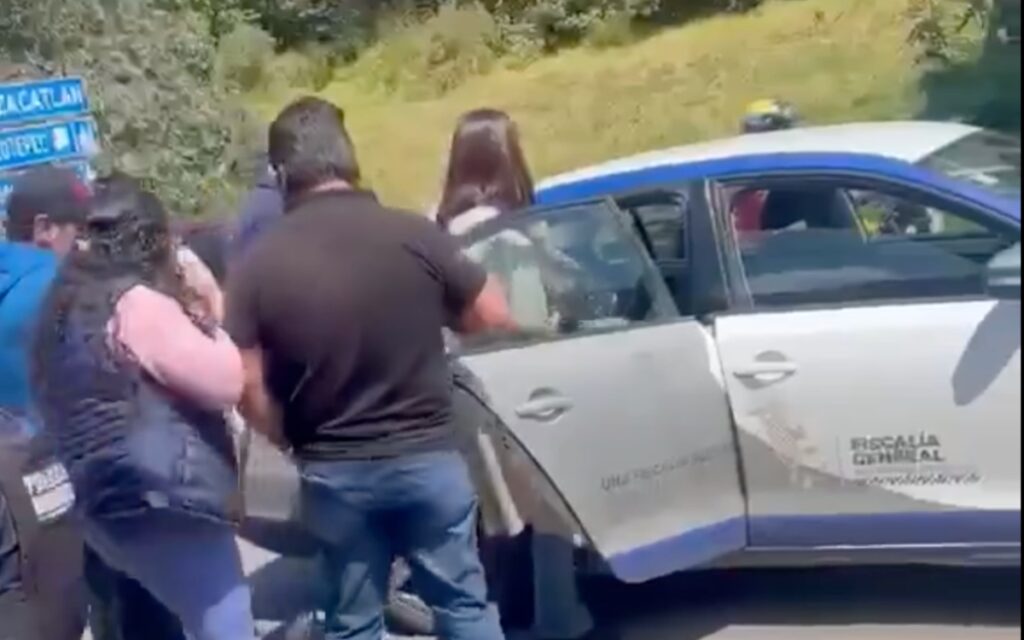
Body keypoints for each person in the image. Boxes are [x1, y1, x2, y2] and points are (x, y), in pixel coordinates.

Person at [226, 96, 514, 640]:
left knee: (353, 622)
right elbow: (494, 314)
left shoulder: (258, 265)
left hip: (336, 474)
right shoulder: (413, 233)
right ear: (349, 159)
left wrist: (285, 436)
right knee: (464, 608)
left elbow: (245, 382)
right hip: (429, 458)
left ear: (282, 175)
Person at [30, 175, 255, 640]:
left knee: (147, 622)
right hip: (163, 495)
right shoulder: (135, 304)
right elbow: (227, 381)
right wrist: (209, 300)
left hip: (100, 500)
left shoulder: (59, 306)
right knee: (225, 619)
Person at [436, 108, 595, 640]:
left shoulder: (443, 229)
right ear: (507, 159)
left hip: (464, 385)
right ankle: (559, 619)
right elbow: (533, 313)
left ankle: (499, 618)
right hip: (519, 380)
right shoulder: (511, 233)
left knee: (493, 518)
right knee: (550, 511)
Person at [1, 166, 92, 640]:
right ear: (44, 228)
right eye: (79, 231)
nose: (83, 245)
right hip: (43, 480)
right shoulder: (59, 287)